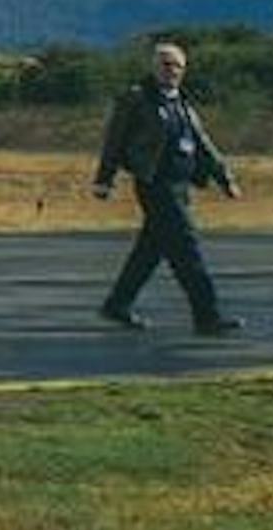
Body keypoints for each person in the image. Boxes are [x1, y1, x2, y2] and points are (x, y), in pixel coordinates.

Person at [94, 39, 244, 336]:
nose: (171, 71)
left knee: (151, 250)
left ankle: (117, 304)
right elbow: (115, 140)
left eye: (177, 65)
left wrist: (224, 178)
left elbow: (203, 144)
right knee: (187, 248)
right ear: (154, 67)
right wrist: (104, 179)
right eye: (166, 65)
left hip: (181, 185)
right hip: (155, 185)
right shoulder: (137, 99)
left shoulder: (182, 104)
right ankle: (208, 316)